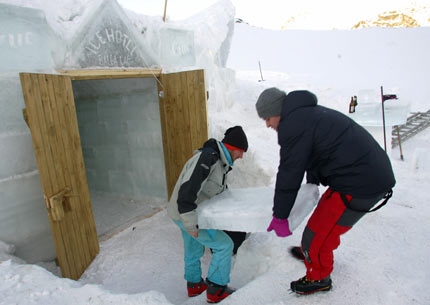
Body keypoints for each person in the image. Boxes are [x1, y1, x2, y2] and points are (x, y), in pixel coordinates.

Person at [255, 88, 395, 295]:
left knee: (316, 237)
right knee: (318, 232)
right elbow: (312, 152)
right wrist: (312, 181)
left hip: (361, 182)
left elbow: (289, 172)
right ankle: (313, 253)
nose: (267, 124)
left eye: (267, 118)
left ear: (277, 112)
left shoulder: (292, 125)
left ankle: (319, 278)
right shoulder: (305, 115)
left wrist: (280, 215)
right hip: (362, 176)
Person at [167, 126, 248, 303]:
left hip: (187, 213)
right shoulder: (208, 159)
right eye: (241, 151)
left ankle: (194, 285)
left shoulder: (220, 163)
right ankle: (216, 289)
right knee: (224, 245)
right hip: (186, 213)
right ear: (232, 147)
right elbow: (187, 191)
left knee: (193, 247)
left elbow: (218, 192)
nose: (241, 156)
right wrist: (190, 223)